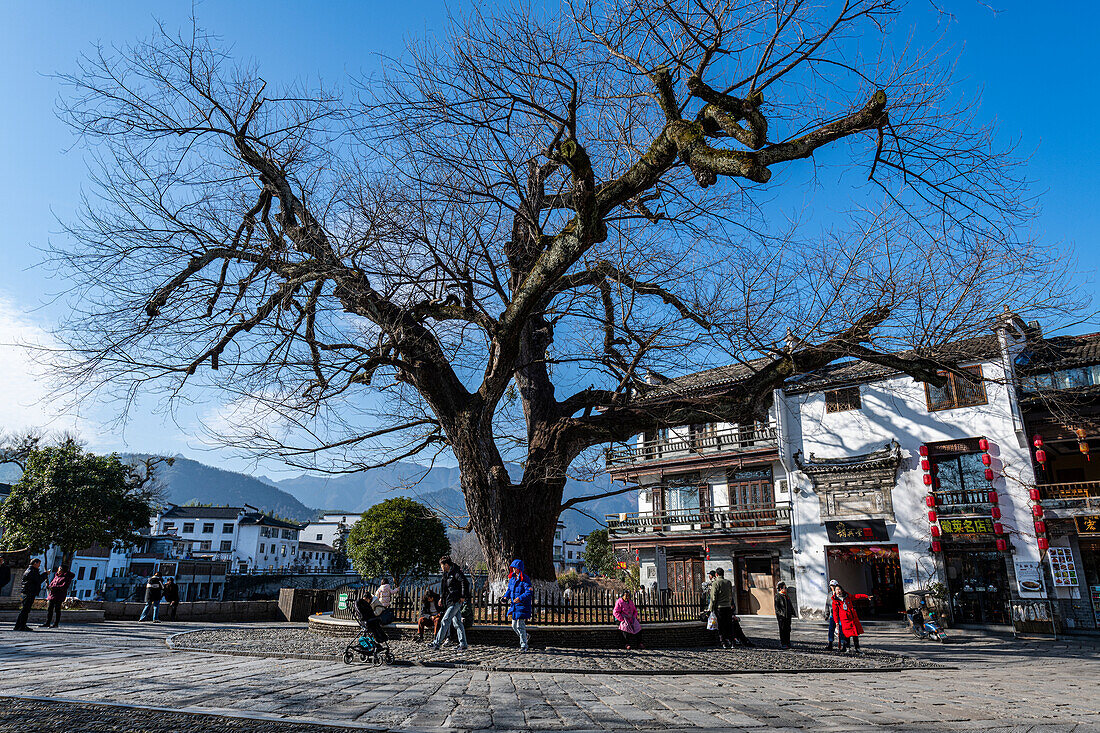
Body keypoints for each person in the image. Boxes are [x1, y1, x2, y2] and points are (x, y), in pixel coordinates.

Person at [428, 555, 470, 652]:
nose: (441, 567)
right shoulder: (446, 574)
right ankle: (463, 644)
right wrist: (441, 598)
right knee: (457, 622)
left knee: (445, 620)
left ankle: (436, 643)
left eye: (442, 565)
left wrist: (463, 596)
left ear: (446, 564)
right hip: (450, 600)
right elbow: (444, 587)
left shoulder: (456, 572)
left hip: (455, 600)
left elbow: (464, 582)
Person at [709, 567, 753, 648]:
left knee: (721, 626)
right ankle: (733, 642)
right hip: (728, 607)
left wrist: (711, 608)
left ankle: (723, 642)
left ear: (716, 574)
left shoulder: (716, 583)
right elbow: (730, 594)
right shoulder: (728, 582)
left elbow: (713, 597)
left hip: (719, 607)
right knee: (729, 625)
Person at [504, 559, 533, 652]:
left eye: (515, 568)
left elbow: (529, 592)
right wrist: (505, 597)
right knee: (513, 626)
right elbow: (509, 590)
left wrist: (520, 598)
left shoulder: (525, 579)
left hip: (522, 605)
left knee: (520, 625)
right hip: (514, 606)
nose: (513, 570)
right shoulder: (512, 579)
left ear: (519, 569)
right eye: (513, 568)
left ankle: (524, 645)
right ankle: (526, 636)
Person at [831, 585, 870, 654]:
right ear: (835, 591)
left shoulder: (847, 596)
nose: (838, 591)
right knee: (847, 634)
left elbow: (856, 596)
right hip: (844, 619)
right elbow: (835, 612)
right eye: (836, 590)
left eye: (839, 589)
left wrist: (866, 596)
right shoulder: (835, 601)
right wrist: (836, 622)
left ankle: (857, 648)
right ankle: (847, 648)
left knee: (855, 634)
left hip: (852, 618)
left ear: (842, 590)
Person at [13, 558, 46, 631]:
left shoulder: (30, 570)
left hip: (29, 591)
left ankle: (20, 625)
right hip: (29, 592)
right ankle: (21, 626)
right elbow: (38, 580)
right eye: (38, 564)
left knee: (25, 610)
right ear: (35, 563)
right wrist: (45, 574)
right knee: (25, 610)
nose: (39, 566)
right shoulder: (31, 571)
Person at [774, 581, 794, 649]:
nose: (786, 589)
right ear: (781, 588)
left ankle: (788, 642)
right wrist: (780, 615)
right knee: (782, 630)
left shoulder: (786, 596)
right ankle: (783, 643)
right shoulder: (778, 596)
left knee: (788, 629)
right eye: (785, 587)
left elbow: (790, 605)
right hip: (782, 617)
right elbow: (777, 608)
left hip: (788, 616)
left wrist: (793, 612)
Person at [826, 579, 841, 650]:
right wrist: (827, 614)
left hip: (840, 615)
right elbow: (827, 605)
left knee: (841, 629)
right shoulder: (829, 595)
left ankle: (842, 644)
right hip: (832, 615)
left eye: (833, 586)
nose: (832, 587)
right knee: (831, 629)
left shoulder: (840, 594)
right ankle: (830, 643)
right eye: (831, 586)